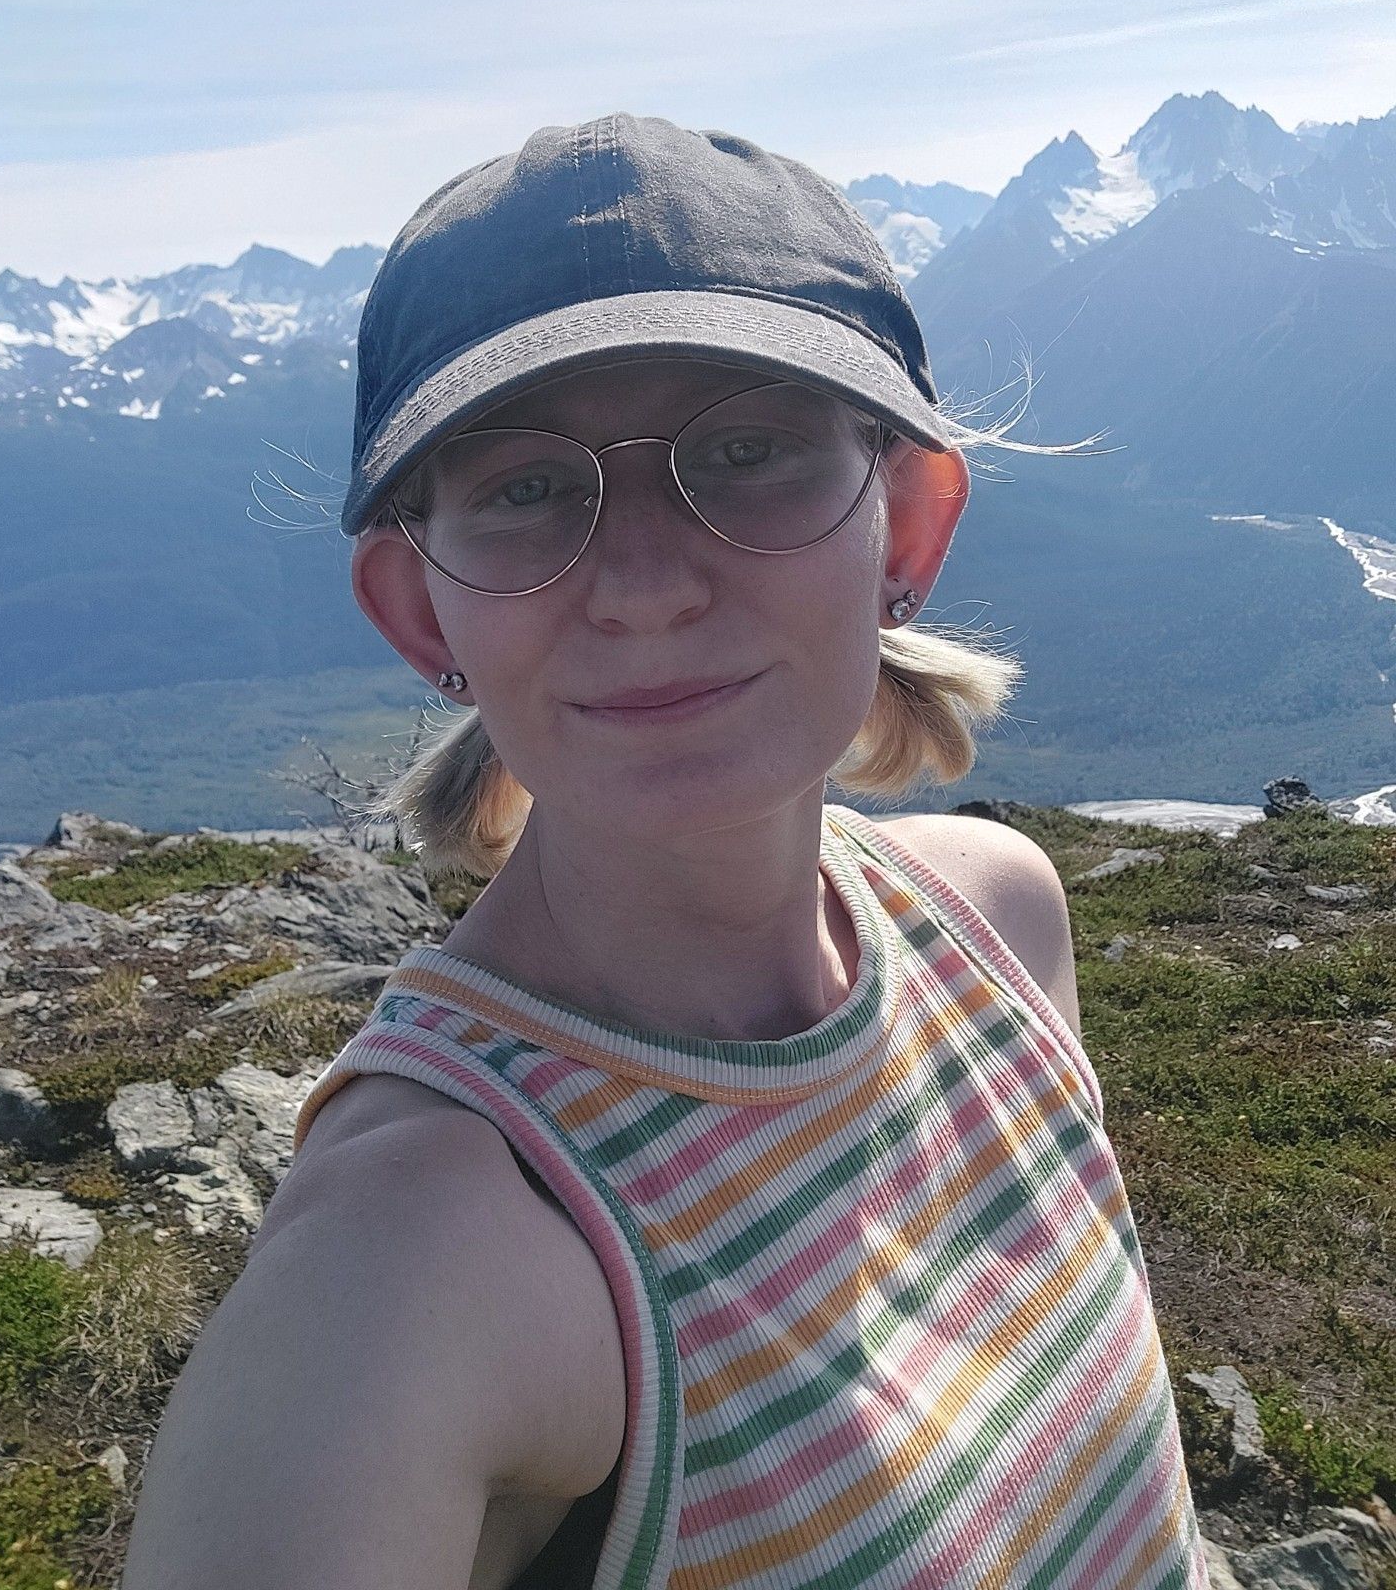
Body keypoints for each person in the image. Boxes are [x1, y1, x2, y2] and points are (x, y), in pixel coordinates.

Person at [121, 114, 1210, 1590]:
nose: (641, 586)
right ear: (422, 613)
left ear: (908, 525)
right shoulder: (420, 1263)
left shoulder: (999, 922)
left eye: (749, 450)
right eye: (526, 488)